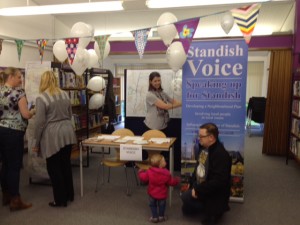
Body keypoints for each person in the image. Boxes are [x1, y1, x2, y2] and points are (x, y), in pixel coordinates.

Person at [32, 71, 77, 207]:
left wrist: (35, 142)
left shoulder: (41, 98)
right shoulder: (64, 94)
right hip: (67, 131)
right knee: (65, 165)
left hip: (53, 135)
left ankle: (60, 199)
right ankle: (70, 194)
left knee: (53, 168)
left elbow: (39, 123)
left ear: (43, 81)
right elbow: (70, 114)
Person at [181, 123, 232, 224]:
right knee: (185, 207)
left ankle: (215, 212)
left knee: (185, 197)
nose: (199, 138)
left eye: (201, 136)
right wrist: (192, 185)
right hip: (204, 186)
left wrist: (198, 190)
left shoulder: (221, 155)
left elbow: (218, 182)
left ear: (211, 137)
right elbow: (198, 168)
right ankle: (205, 208)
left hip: (214, 193)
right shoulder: (204, 149)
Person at [0, 67, 35, 211]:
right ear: (11, 77)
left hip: (1, 130)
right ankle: (16, 199)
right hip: (14, 133)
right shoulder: (18, 93)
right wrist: (33, 111)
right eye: (19, 77)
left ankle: (6, 195)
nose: (21, 80)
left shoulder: (0, 91)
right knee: (14, 166)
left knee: (5, 164)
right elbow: (26, 114)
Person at [138, 153, 180, 223]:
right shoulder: (166, 174)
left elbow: (143, 178)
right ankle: (161, 217)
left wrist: (140, 172)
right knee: (162, 206)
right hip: (162, 195)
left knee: (152, 205)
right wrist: (177, 180)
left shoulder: (149, 171)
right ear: (160, 165)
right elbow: (171, 182)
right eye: (164, 161)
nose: (165, 161)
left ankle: (154, 217)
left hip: (152, 193)